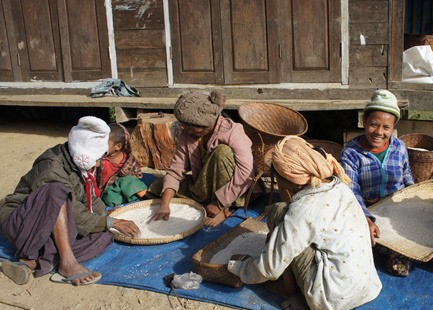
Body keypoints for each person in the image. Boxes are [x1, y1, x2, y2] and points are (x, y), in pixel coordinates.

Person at [228, 136, 382, 310]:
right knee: (283, 216)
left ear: (287, 179)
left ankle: (289, 288)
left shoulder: (304, 209)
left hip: (330, 297)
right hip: (367, 287)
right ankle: (301, 284)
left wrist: (239, 266)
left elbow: (269, 268)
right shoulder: (339, 186)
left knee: (279, 214)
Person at [0, 116, 140, 286]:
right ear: (84, 155)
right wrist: (111, 221)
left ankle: (37, 262)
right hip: (22, 224)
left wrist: (107, 214)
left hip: (50, 225)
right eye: (97, 158)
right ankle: (67, 262)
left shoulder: (75, 163)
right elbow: (74, 211)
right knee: (56, 190)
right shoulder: (51, 166)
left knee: (105, 234)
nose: (98, 163)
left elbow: (88, 197)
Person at [151, 91, 256, 227]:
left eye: (191, 127)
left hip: (235, 187)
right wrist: (164, 205)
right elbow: (176, 169)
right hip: (205, 182)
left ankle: (226, 210)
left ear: (207, 123)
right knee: (159, 187)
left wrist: (219, 203)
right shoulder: (188, 134)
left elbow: (246, 173)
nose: (187, 131)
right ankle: (207, 201)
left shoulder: (233, 132)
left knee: (222, 152)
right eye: (185, 127)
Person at [340, 89, 415, 276]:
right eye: (374, 125)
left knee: (399, 269)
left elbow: (407, 177)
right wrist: (366, 219)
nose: (379, 132)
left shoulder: (399, 147)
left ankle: (385, 245)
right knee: (350, 260)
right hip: (364, 209)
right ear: (364, 121)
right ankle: (374, 243)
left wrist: (414, 203)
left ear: (393, 127)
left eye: (386, 127)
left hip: (395, 210)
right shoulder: (351, 153)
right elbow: (351, 191)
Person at [96, 123, 147, 207]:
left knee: (128, 181)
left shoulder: (128, 160)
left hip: (126, 187)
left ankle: (147, 197)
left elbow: (137, 176)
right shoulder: (99, 159)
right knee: (110, 199)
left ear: (118, 146)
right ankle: (132, 198)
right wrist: (92, 165)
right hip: (109, 190)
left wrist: (125, 178)